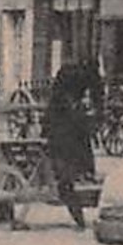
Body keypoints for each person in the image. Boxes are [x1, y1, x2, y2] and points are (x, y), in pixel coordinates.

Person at [45, 63, 97, 229]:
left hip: (58, 143)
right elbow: (79, 125)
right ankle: (79, 217)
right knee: (66, 182)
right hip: (67, 147)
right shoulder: (69, 102)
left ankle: (78, 215)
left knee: (65, 181)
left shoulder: (58, 98)